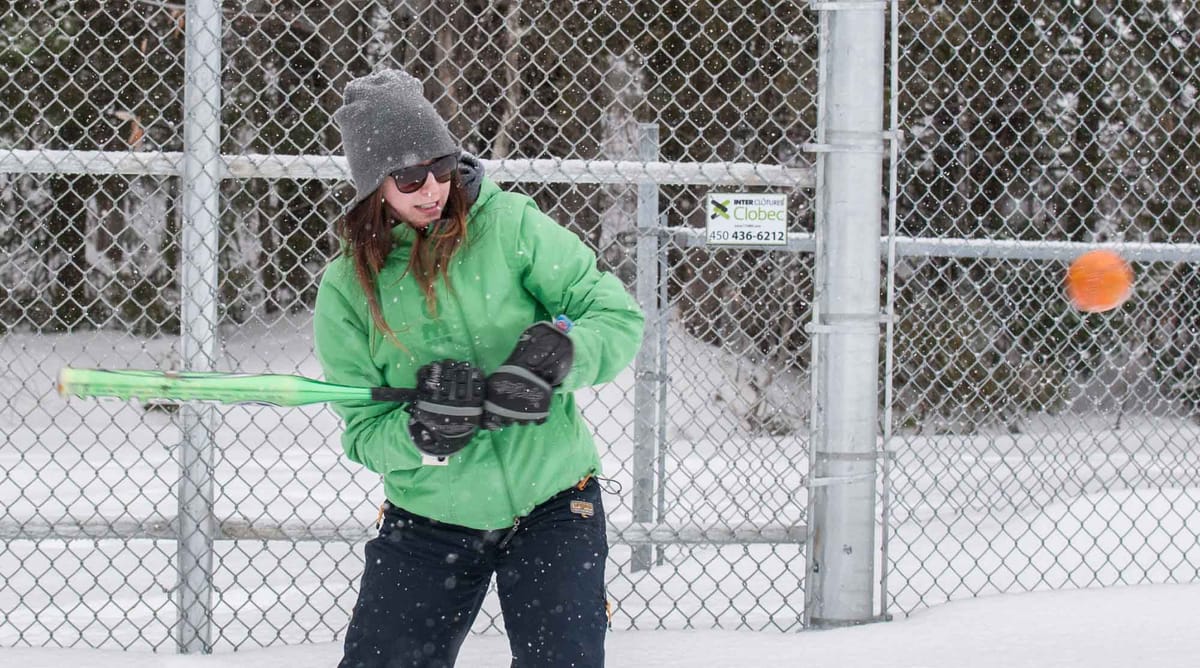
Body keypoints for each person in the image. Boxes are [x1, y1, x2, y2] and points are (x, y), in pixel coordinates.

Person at [313, 69, 645, 668]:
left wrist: (558, 357)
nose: (432, 188)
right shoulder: (348, 286)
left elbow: (614, 315)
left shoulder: (509, 225)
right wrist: (421, 434)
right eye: (408, 176)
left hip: (552, 499)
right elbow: (364, 433)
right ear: (372, 185)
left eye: (441, 166)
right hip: (430, 514)